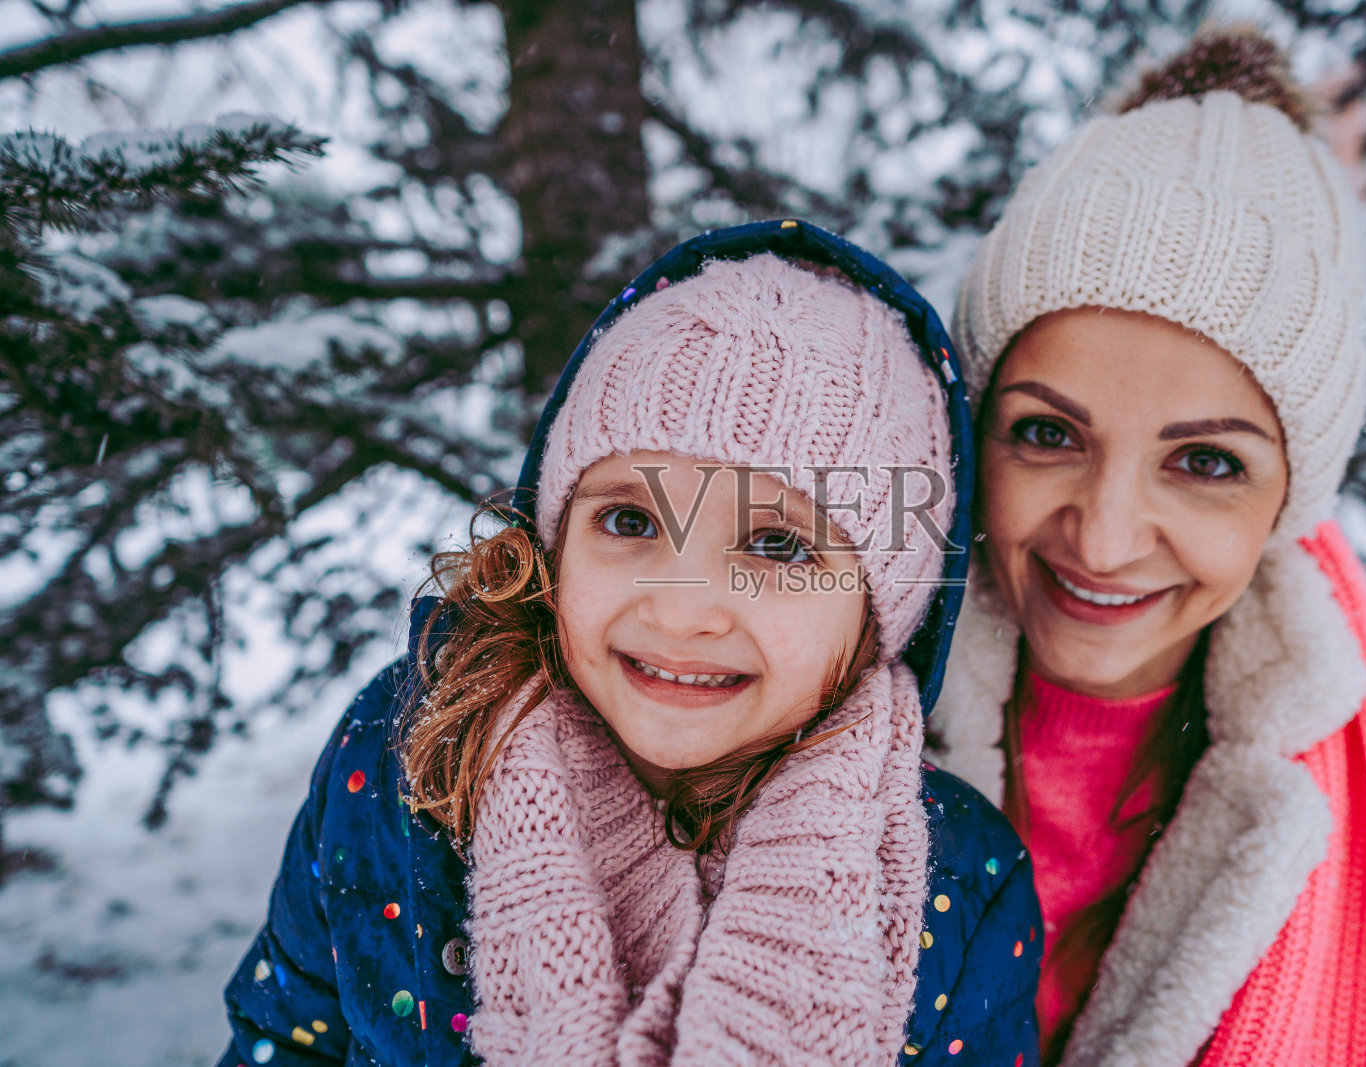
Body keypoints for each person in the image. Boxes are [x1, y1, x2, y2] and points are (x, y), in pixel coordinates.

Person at [218, 221, 1042, 1067]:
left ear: (884, 613)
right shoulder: (409, 755)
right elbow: (287, 1035)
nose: (682, 612)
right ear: (555, 542)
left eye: (778, 545)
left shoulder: (958, 883)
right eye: (629, 520)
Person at [925, 29, 1366, 1067]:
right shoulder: (820, 685)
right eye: (1045, 432)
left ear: (1292, 499)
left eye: (1206, 462)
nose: (1106, 536)